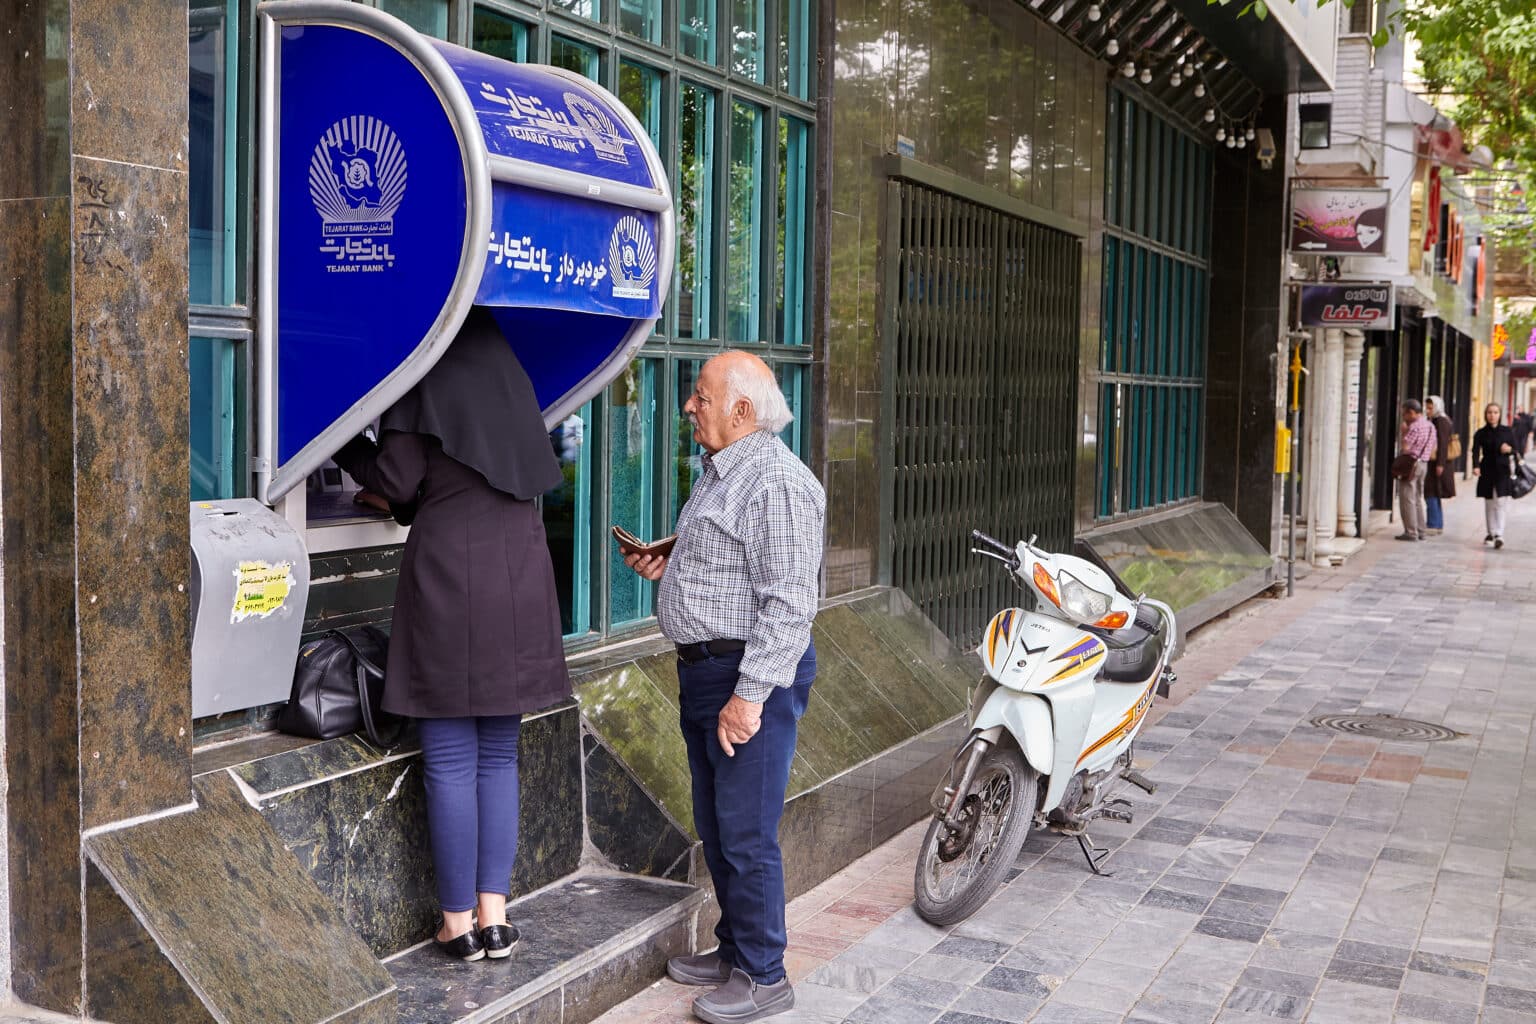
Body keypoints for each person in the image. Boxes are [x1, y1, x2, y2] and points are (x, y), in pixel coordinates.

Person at [333, 308, 572, 963]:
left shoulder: (421, 366)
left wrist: (341, 439)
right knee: (499, 755)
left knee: (450, 762)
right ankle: (496, 918)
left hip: (450, 576)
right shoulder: (513, 377)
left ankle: (457, 924)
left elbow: (400, 482)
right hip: (521, 573)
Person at [625, 351, 824, 1024]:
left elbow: (791, 603)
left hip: (747, 678)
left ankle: (766, 976)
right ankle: (735, 951)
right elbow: (733, 562)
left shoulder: (777, 482)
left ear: (742, 409)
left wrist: (749, 697)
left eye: (702, 397)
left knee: (745, 831)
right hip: (709, 672)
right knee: (718, 827)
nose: (689, 406)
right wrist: (674, 565)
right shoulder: (725, 472)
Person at [1472, 402, 1517, 549]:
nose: (1492, 415)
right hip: (1487, 469)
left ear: (1500, 414)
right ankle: (1490, 532)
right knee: (1489, 502)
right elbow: (1475, 451)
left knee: (1501, 502)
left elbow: (1516, 449)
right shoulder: (1480, 433)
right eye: (1490, 412)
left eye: (1496, 412)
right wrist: (1476, 466)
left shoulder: (1507, 431)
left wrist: (1509, 450)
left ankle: (1499, 533)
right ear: (1486, 414)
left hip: (1503, 470)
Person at [1396, 399, 1436, 541]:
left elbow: (1406, 447)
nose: (1403, 417)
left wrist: (1404, 432)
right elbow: (1433, 447)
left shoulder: (1414, 427)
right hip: (1423, 464)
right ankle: (1421, 530)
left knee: (1407, 498)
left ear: (1411, 413)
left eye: (1404, 413)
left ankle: (1411, 531)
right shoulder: (1430, 426)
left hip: (1411, 464)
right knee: (1418, 497)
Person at [1423, 395, 1456, 535]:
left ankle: (1433, 523)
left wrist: (1440, 464)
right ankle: (1437, 524)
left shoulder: (1441, 421)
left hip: (1437, 462)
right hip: (1436, 462)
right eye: (1427, 407)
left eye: (1430, 408)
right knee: (1434, 492)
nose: (1428, 410)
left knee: (1431, 492)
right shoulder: (1438, 419)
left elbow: (1442, 444)